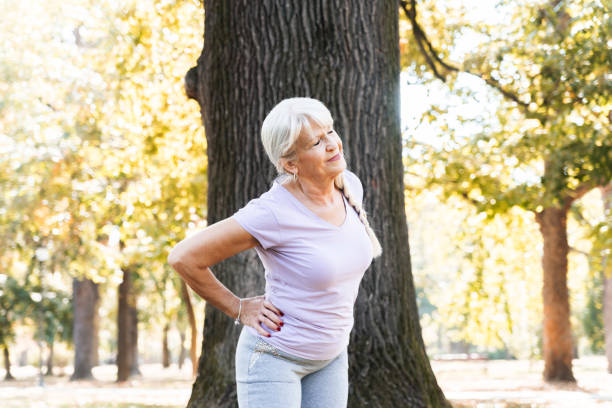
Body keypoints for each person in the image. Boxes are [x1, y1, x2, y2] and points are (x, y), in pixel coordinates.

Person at [168, 97, 382, 408]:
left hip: (331, 358)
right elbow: (183, 257)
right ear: (291, 163)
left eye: (330, 132)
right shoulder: (272, 213)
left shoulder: (349, 186)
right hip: (274, 357)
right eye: (316, 142)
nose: (332, 145)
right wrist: (238, 308)